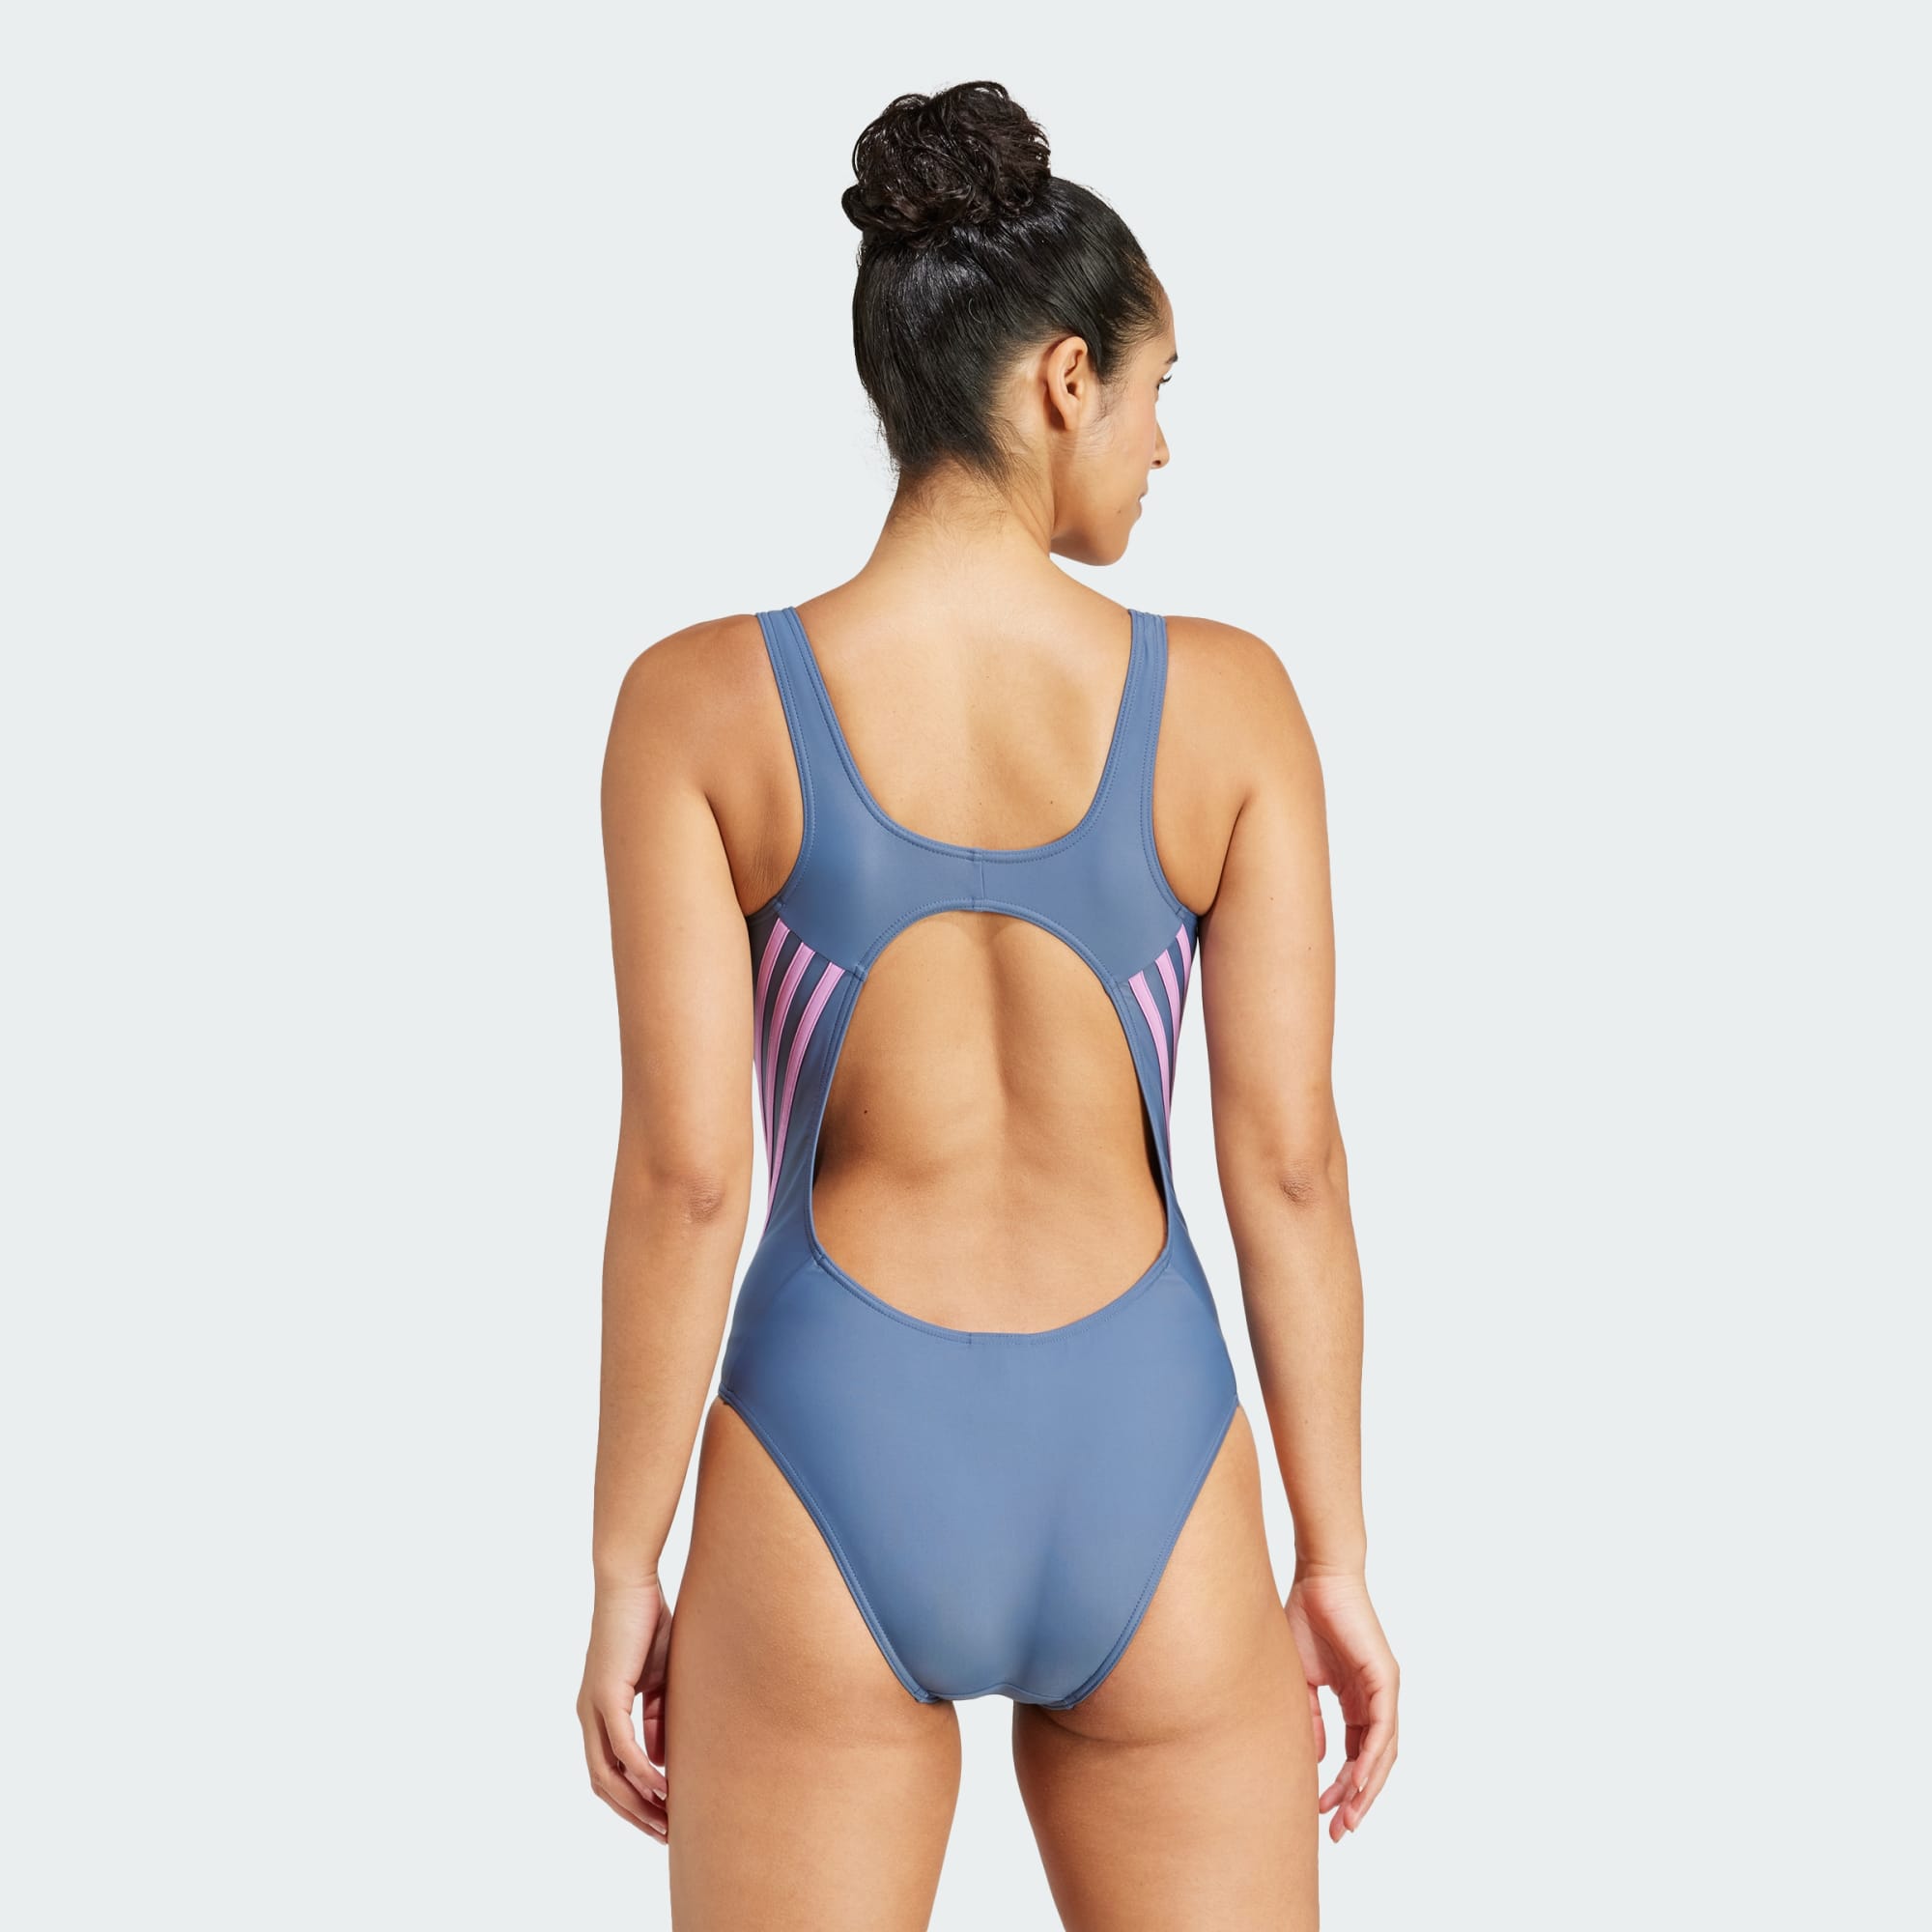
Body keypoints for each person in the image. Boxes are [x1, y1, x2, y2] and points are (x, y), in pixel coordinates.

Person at [577, 78, 1399, 1929]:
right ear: (1063, 381)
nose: (1166, 445)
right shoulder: (1232, 706)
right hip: (1149, 1460)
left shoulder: (696, 707)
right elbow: (1288, 1166)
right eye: (1159, 389)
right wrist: (1333, 1554)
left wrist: (627, 1565)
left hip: (826, 1459)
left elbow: (687, 1181)